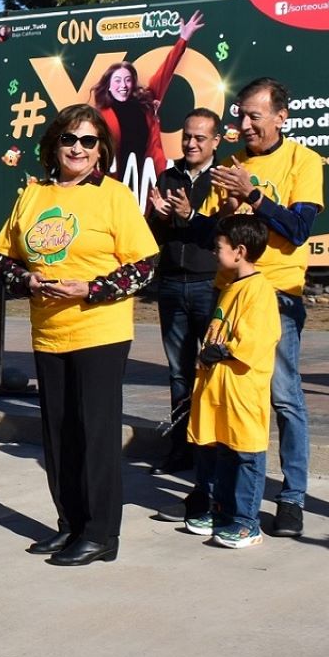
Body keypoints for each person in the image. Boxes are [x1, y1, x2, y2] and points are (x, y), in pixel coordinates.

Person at [0, 105, 158, 567]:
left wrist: (92, 288)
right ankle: (69, 524)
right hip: (48, 332)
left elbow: (143, 266)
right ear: (55, 144)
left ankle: (101, 533)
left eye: (88, 141)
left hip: (99, 330)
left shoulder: (114, 196)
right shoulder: (34, 195)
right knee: (59, 435)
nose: (78, 149)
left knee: (95, 435)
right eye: (69, 139)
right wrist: (25, 279)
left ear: (101, 148)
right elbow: (4, 259)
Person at [188, 77, 323, 539]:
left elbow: (299, 227)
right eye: (240, 116)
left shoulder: (303, 161)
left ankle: (291, 496)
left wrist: (253, 195)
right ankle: (221, 495)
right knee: (222, 395)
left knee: (283, 398)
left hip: (278, 296)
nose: (244, 125)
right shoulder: (229, 165)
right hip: (228, 295)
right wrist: (209, 213)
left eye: (254, 116)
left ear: (281, 117)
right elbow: (214, 238)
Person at [189, 214, 282, 550]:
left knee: (245, 454)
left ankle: (246, 521)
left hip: (242, 390)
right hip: (220, 389)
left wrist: (224, 351)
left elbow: (259, 339)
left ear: (240, 251)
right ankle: (222, 511)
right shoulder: (229, 287)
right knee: (223, 451)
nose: (215, 253)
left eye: (219, 247)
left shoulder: (259, 291)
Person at [144, 109, 224, 474]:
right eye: (187, 136)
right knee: (178, 372)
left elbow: (224, 234)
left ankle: (211, 449)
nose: (191, 143)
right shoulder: (169, 176)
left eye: (200, 138)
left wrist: (191, 215)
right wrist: (157, 217)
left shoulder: (224, 179)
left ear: (216, 142)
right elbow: (155, 237)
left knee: (210, 367)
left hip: (209, 284)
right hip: (173, 284)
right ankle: (180, 450)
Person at [89, 11, 205, 199]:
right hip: (117, 180)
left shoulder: (147, 102)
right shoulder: (100, 115)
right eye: (117, 80)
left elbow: (165, 71)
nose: (123, 86)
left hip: (148, 177)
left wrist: (183, 39)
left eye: (127, 80)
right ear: (108, 85)